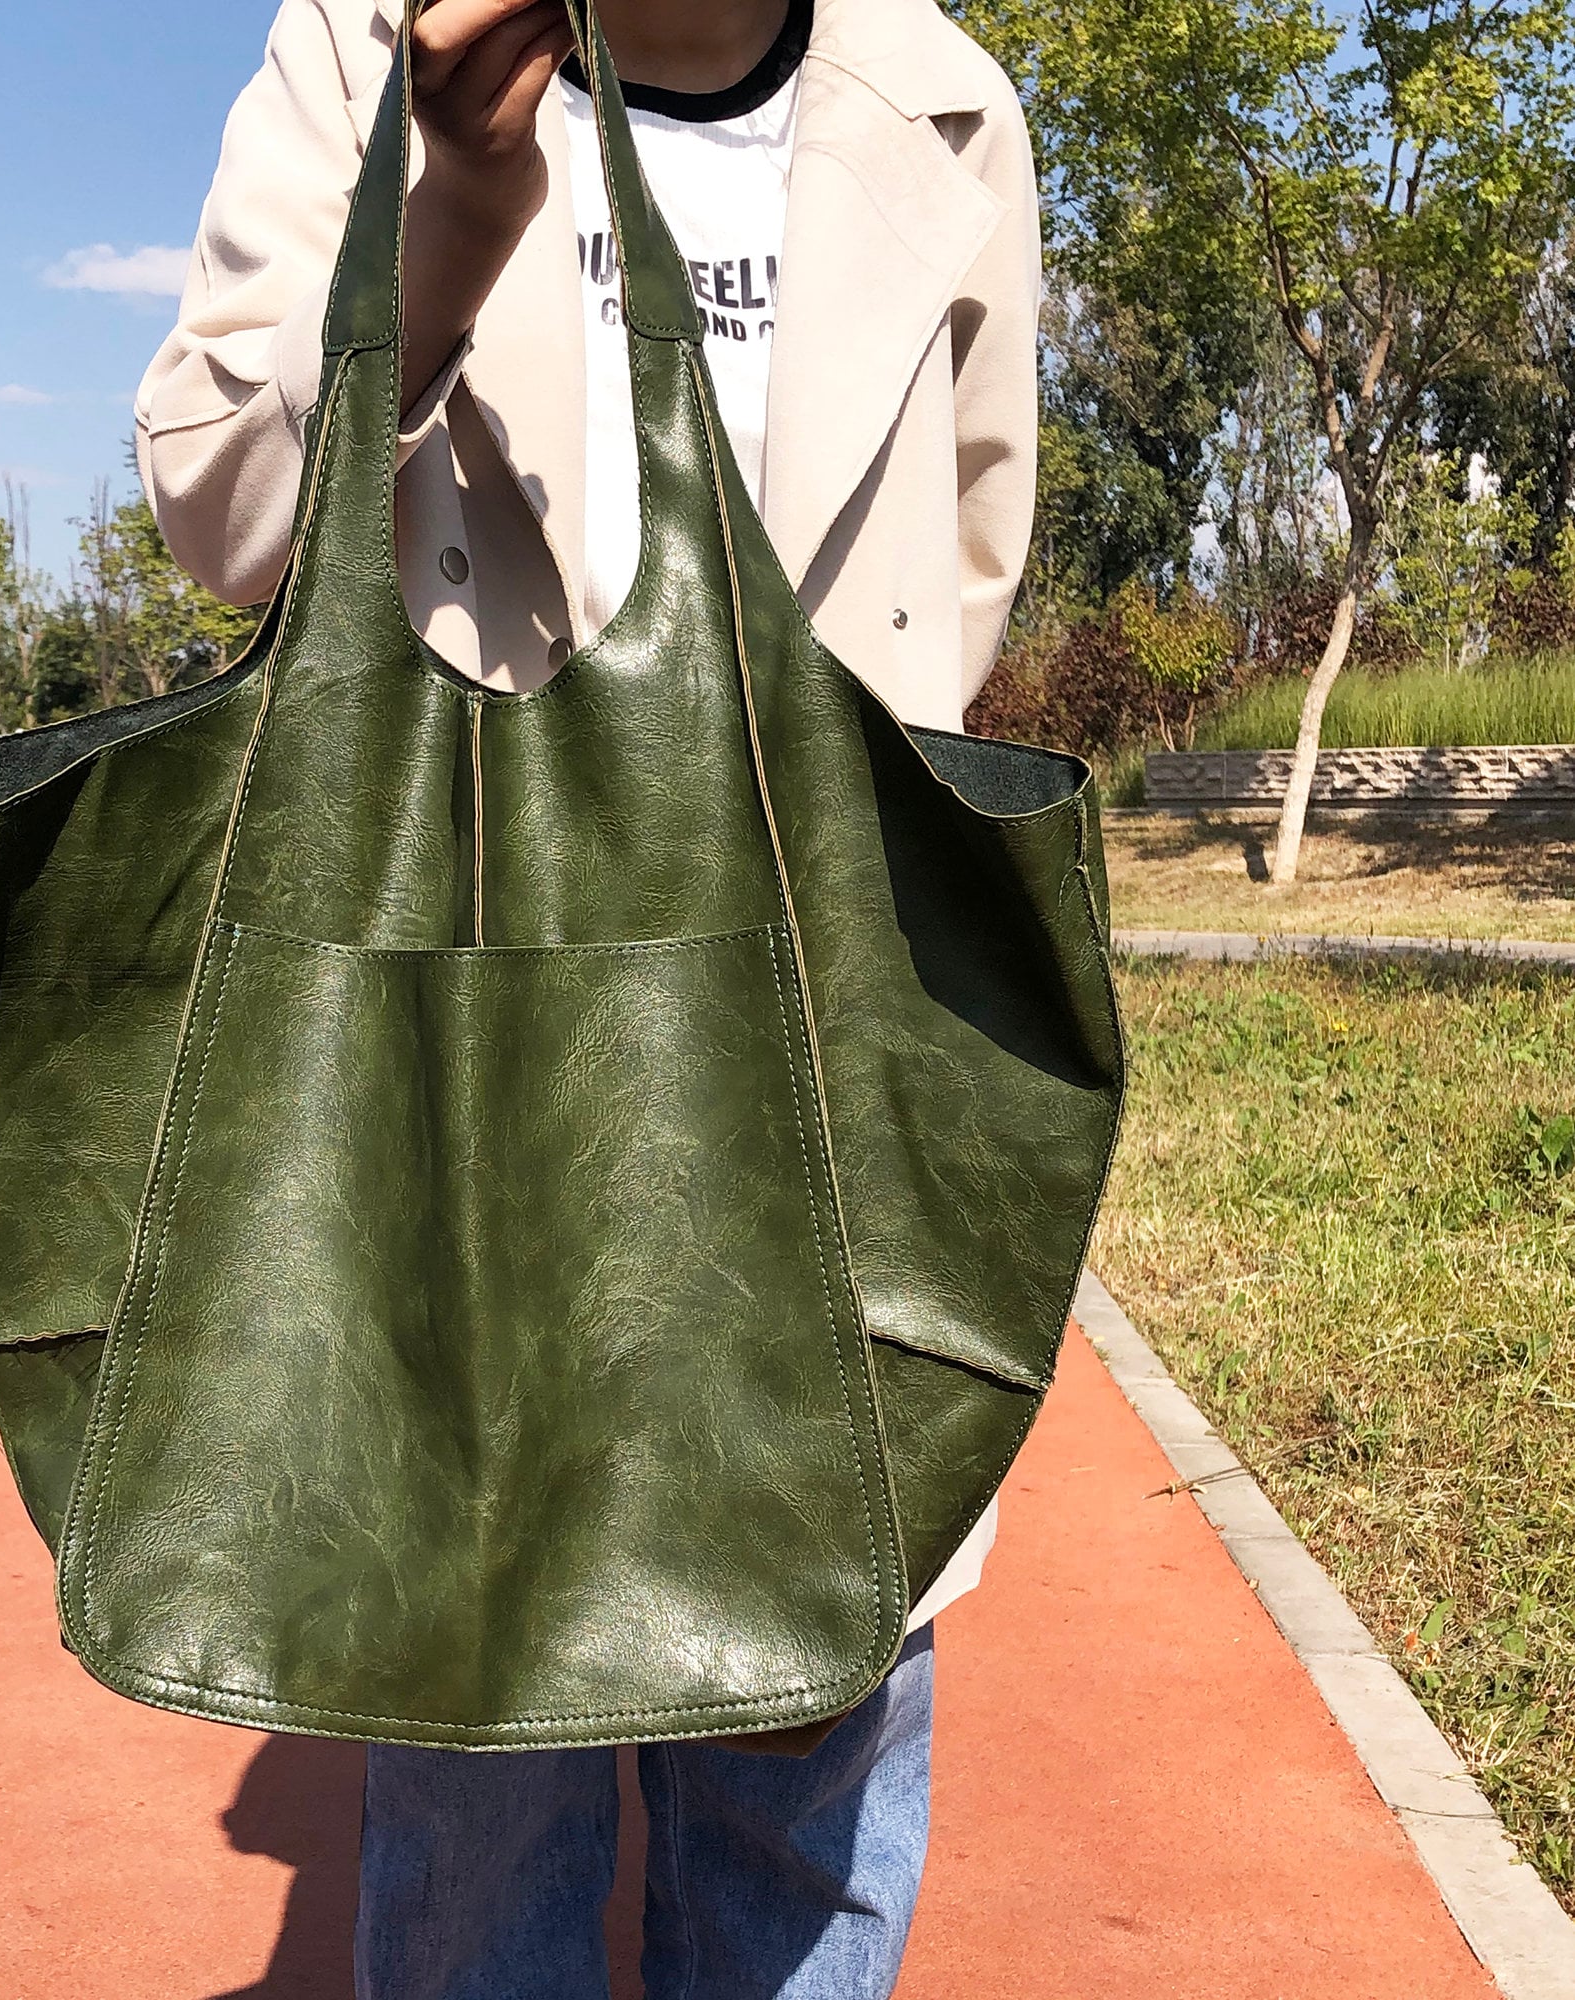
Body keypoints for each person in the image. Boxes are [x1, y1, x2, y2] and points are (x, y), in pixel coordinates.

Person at [138, 0, 1040, 1991]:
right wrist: (453, 212)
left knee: (806, 1759)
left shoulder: (942, 100)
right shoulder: (365, 43)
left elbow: (958, 588)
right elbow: (222, 517)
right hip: (464, 1057)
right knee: (479, 1797)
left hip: (810, 1061)